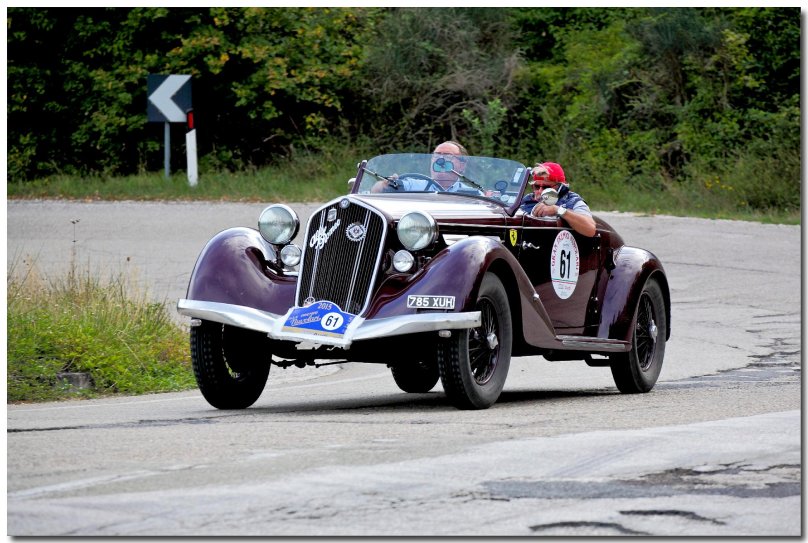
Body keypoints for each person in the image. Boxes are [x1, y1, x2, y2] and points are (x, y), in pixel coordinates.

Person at [520, 162, 596, 237]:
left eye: (546, 187)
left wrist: (558, 210)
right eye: (536, 186)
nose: (540, 191)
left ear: (559, 186)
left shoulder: (572, 201)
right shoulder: (525, 201)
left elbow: (590, 229)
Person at [371, 140, 478, 193]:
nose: (440, 160)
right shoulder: (412, 186)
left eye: (448, 156)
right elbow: (377, 191)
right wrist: (384, 184)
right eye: (436, 155)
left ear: (462, 165)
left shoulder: (473, 194)